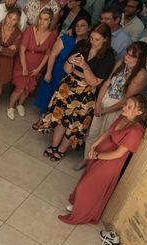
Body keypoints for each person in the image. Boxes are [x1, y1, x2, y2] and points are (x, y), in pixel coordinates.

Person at [60, 94, 147, 224]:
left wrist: (96, 156)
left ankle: (81, 214)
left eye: (129, 107)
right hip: (101, 152)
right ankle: (79, 206)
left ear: (139, 112)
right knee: (86, 180)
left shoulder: (136, 131)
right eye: (125, 104)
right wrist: (94, 145)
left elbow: (118, 154)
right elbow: (108, 131)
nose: (124, 108)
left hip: (110, 163)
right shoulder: (123, 117)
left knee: (89, 186)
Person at [36, 23, 116, 160]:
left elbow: (95, 82)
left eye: (97, 39)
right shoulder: (82, 45)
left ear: (105, 39)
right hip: (68, 86)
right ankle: (54, 145)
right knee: (61, 117)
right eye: (91, 38)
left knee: (73, 123)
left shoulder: (109, 56)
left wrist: (84, 67)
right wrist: (70, 61)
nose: (93, 42)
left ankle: (61, 149)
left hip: (86, 92)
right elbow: (67, 69)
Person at [78, 42, 147, 169]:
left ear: (139, 59)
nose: (127, 57)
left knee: (105, 136)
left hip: (118, 109)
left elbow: (127, 100)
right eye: (127, 53)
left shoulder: (141, 74)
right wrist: (98, 105)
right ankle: (85, 159)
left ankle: (93, 164)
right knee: (93, 133)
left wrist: (105, 111)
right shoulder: (121, 63)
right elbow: (106, 84)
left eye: (132, 56)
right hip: (104, 101)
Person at [7, 8, 58, 119]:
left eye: (45, 19)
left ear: (50, 21)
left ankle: (19, 104)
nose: (42, 21)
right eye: (40, 18)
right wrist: (24, 67)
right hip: (23, 61)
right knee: (20, 87)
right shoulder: (30, 30)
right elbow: (22, 49)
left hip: (37, 64)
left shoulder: (52, 35)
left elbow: (48, 54)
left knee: (27, 88)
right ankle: (10, 107)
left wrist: (39, 69)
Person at [34, 16, 90, 113]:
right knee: (50, 93)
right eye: (77, 26)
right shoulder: (66, 39)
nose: (79, 28)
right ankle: (44, 116)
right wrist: (49, 72)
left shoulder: (89, 45)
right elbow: (52, 55)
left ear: (89, 28)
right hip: (58, 70)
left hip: (73, 74)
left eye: (83, 25)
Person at [0, 8, 23, 116]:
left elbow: (12, 53)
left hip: (6, 63)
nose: (10, 21)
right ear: (6, 17)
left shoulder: (18, 33)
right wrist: (6, 48)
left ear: (18, 21)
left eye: (14, 20)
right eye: (9, 18)